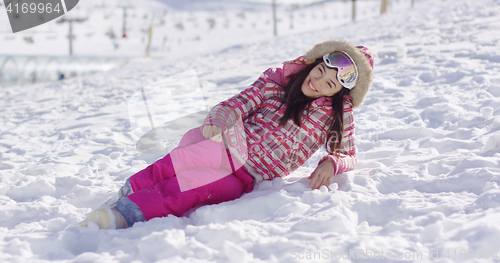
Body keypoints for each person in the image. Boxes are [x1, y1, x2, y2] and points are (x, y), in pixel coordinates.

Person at [78, 39, 374, 229]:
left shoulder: (337, 116)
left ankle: (124, 214)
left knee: (192, 189)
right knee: (183, 161)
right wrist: (219, 121)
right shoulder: (278, 84)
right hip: (228, 145)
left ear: (339, 93)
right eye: (320, 71)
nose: (319, 82)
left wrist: (331, 163)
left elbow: (346, 153)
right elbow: (238, 103)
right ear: (314, 62)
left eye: (330, 83)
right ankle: (128, 192)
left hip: (248, 177)